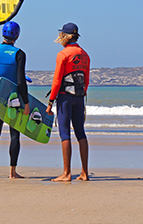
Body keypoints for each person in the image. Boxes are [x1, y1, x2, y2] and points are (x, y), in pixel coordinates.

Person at [46, 22, 90, 181]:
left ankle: (66, 173)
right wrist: (81, 96)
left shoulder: (63, 54)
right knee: (80, 132)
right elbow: (86, 80)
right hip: (79, 97)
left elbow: (57, 81)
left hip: (65, 96)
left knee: (64, 133)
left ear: (64, 36)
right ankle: (85, 173)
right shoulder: (85, 54)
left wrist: (51, 102)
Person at [0, 21, 30, 179]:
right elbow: (20, 82)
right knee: (14, 135)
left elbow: (0, 69)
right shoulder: (19, 54)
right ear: (17, 35)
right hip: (13, 98)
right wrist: (26, 103)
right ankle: (12, 172)